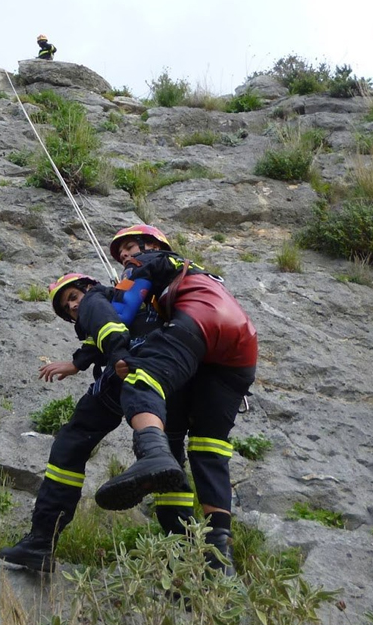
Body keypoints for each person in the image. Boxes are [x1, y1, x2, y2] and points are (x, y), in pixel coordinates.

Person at [96, 225, 258, 575]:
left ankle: (152, 455)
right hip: (238, 346)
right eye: (121, 252)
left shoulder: (150, 261)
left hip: (201, 319)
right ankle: (218, 556)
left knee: (141, 379)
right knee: (208, 447)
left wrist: (98, 305)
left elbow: (123, 310)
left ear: (151, 244)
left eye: (129, 248)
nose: (125, 256)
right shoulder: (192, 271)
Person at [0, 270, 160, 572]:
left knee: (71, 444)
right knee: (167, 459)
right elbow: (100, 336)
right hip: (153, 370)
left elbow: (109, 331)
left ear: (88, 287)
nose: (73, 307)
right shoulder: (121, 307)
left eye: (73, 297)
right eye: (66, 308)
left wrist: (119, 358)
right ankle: (199, 555)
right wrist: (77, 362)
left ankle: (41, 541)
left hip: (125, 371)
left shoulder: (96, 298)